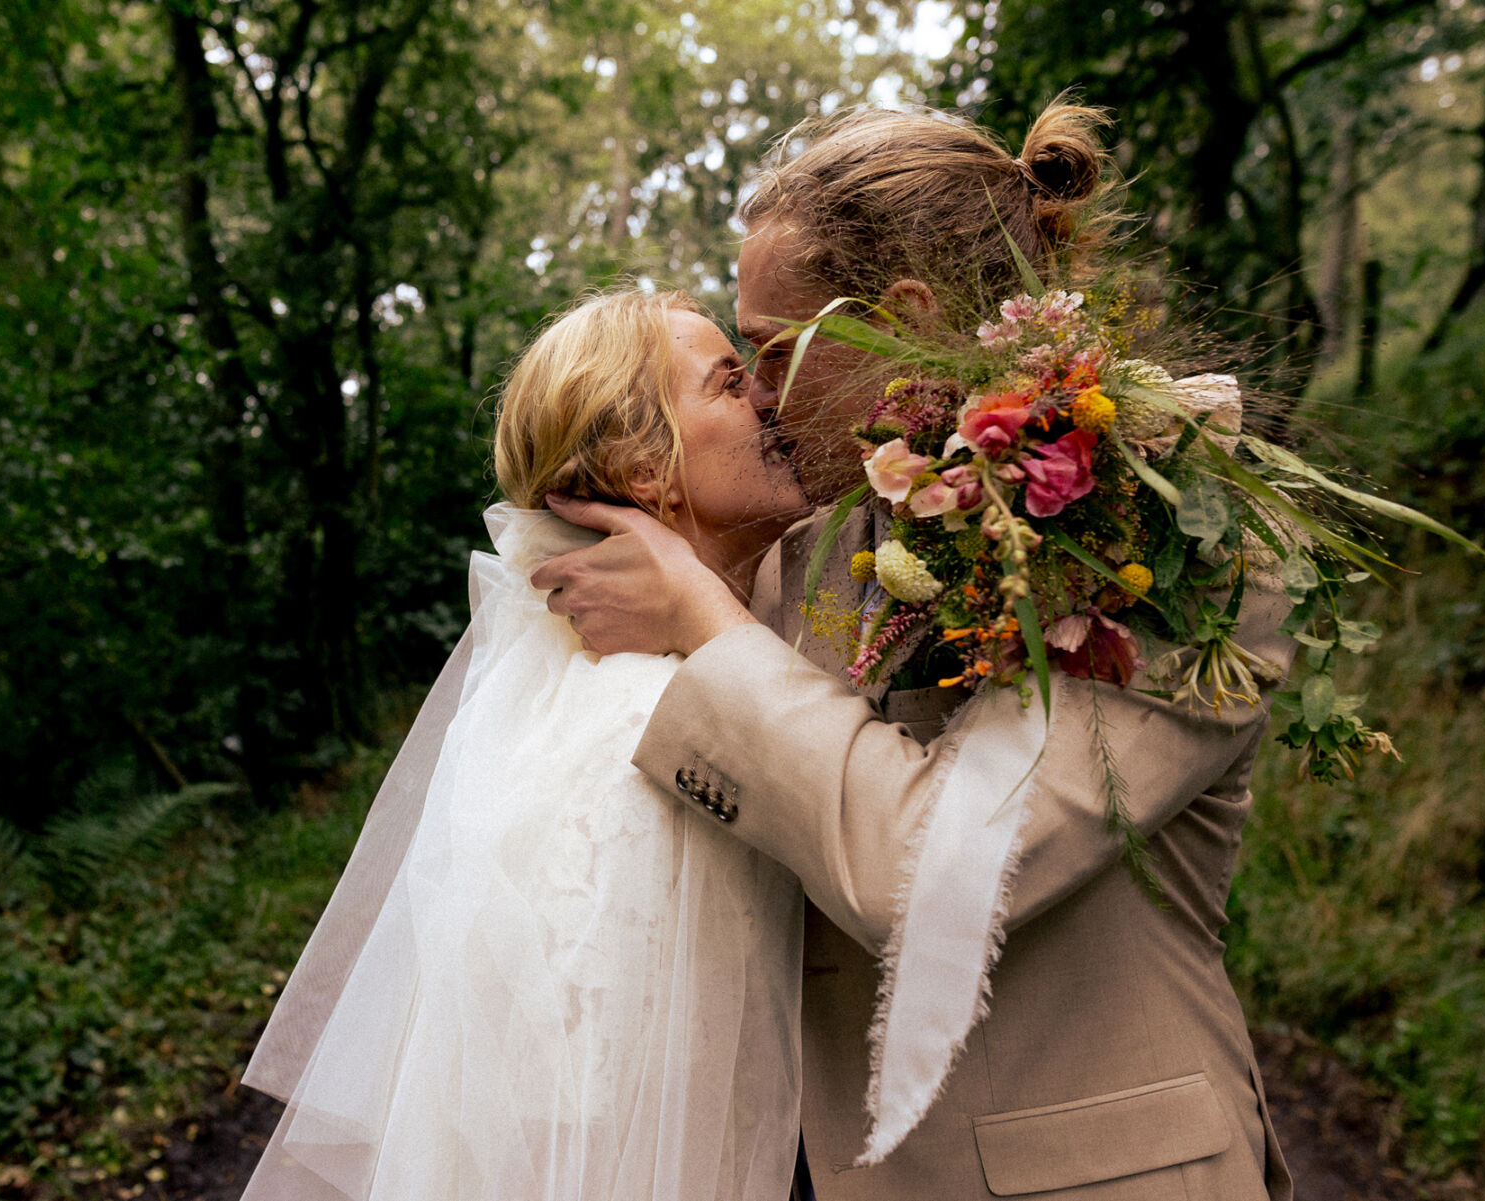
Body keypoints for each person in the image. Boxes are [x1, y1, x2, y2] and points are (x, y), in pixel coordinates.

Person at [534, 100, 1298, 1200]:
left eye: (776, 350)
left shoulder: (1174, 533)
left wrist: (704, 622)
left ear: (903, 316)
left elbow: (941, 868)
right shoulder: (823, 539)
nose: (761, 393)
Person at [238, 288, 813, 1201]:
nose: (772, 401)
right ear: (642, 462)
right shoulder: (647, 723)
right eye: (730, 381)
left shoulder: (637, 682)